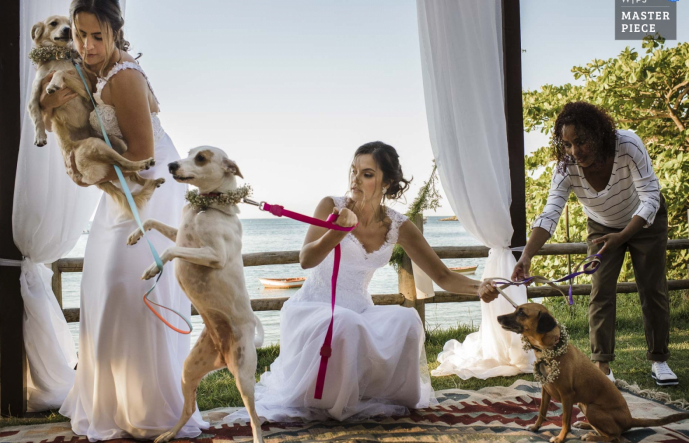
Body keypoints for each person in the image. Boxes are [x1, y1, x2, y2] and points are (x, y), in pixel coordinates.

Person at [226, 141, 499, 423]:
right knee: (346, 322)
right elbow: (306, 259)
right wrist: (337, 231)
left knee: (406, 319)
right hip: (314, 308)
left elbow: (442, 276)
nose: (355, 179)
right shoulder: (331, 205)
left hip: (359, 308)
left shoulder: (398, 225)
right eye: (354, 171)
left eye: (367, 174)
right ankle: (333, 400)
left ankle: (390, 397)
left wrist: (478, 287)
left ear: (387, 183)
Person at [39, 0, 208, 439]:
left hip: (148, 184)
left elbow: (143, 152)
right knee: (102, 287)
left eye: (98, 35)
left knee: (127, 290)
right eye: (80, 34)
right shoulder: (89, 69)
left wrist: (89, 168)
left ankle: (151, 408)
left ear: (116, 31)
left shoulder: (123, 76)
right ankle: (113, 404)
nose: (88, 45)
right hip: (120, 186)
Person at [512, 101, 676, 386]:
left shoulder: (628, 145)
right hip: (602, 226)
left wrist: (624, 236)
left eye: (581, 141)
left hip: (645, 221)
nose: (575, 152)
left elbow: (651, 195)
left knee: (652, 289)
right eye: (567, 144)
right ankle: (603, 366)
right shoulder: (566, 168)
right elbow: (551, 211)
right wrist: (526, 255)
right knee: (600, 291)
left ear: (599, 134)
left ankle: (659, 360)